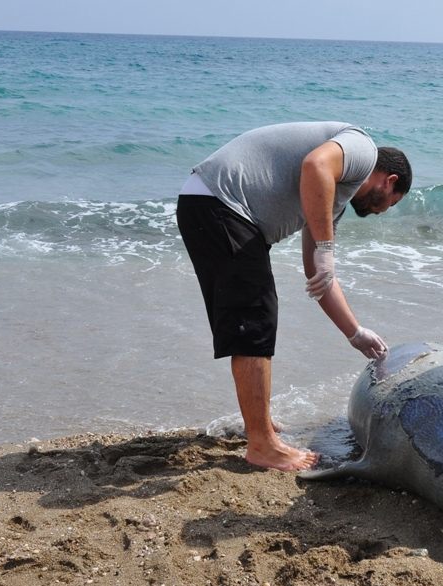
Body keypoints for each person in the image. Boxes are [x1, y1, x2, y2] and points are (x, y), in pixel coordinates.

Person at [176, 122, 412, 472]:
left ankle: (260, 426)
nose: (381, 212)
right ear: (389, 181)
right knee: (254, 320)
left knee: (252, 320)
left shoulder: (332, 197)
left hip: (214, 205)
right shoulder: (362, 149)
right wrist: (327, 248)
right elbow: (314, 165)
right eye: (390, 204)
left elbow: (315, 271)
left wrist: (354, 332)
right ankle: (262, 444)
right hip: (223, 203)